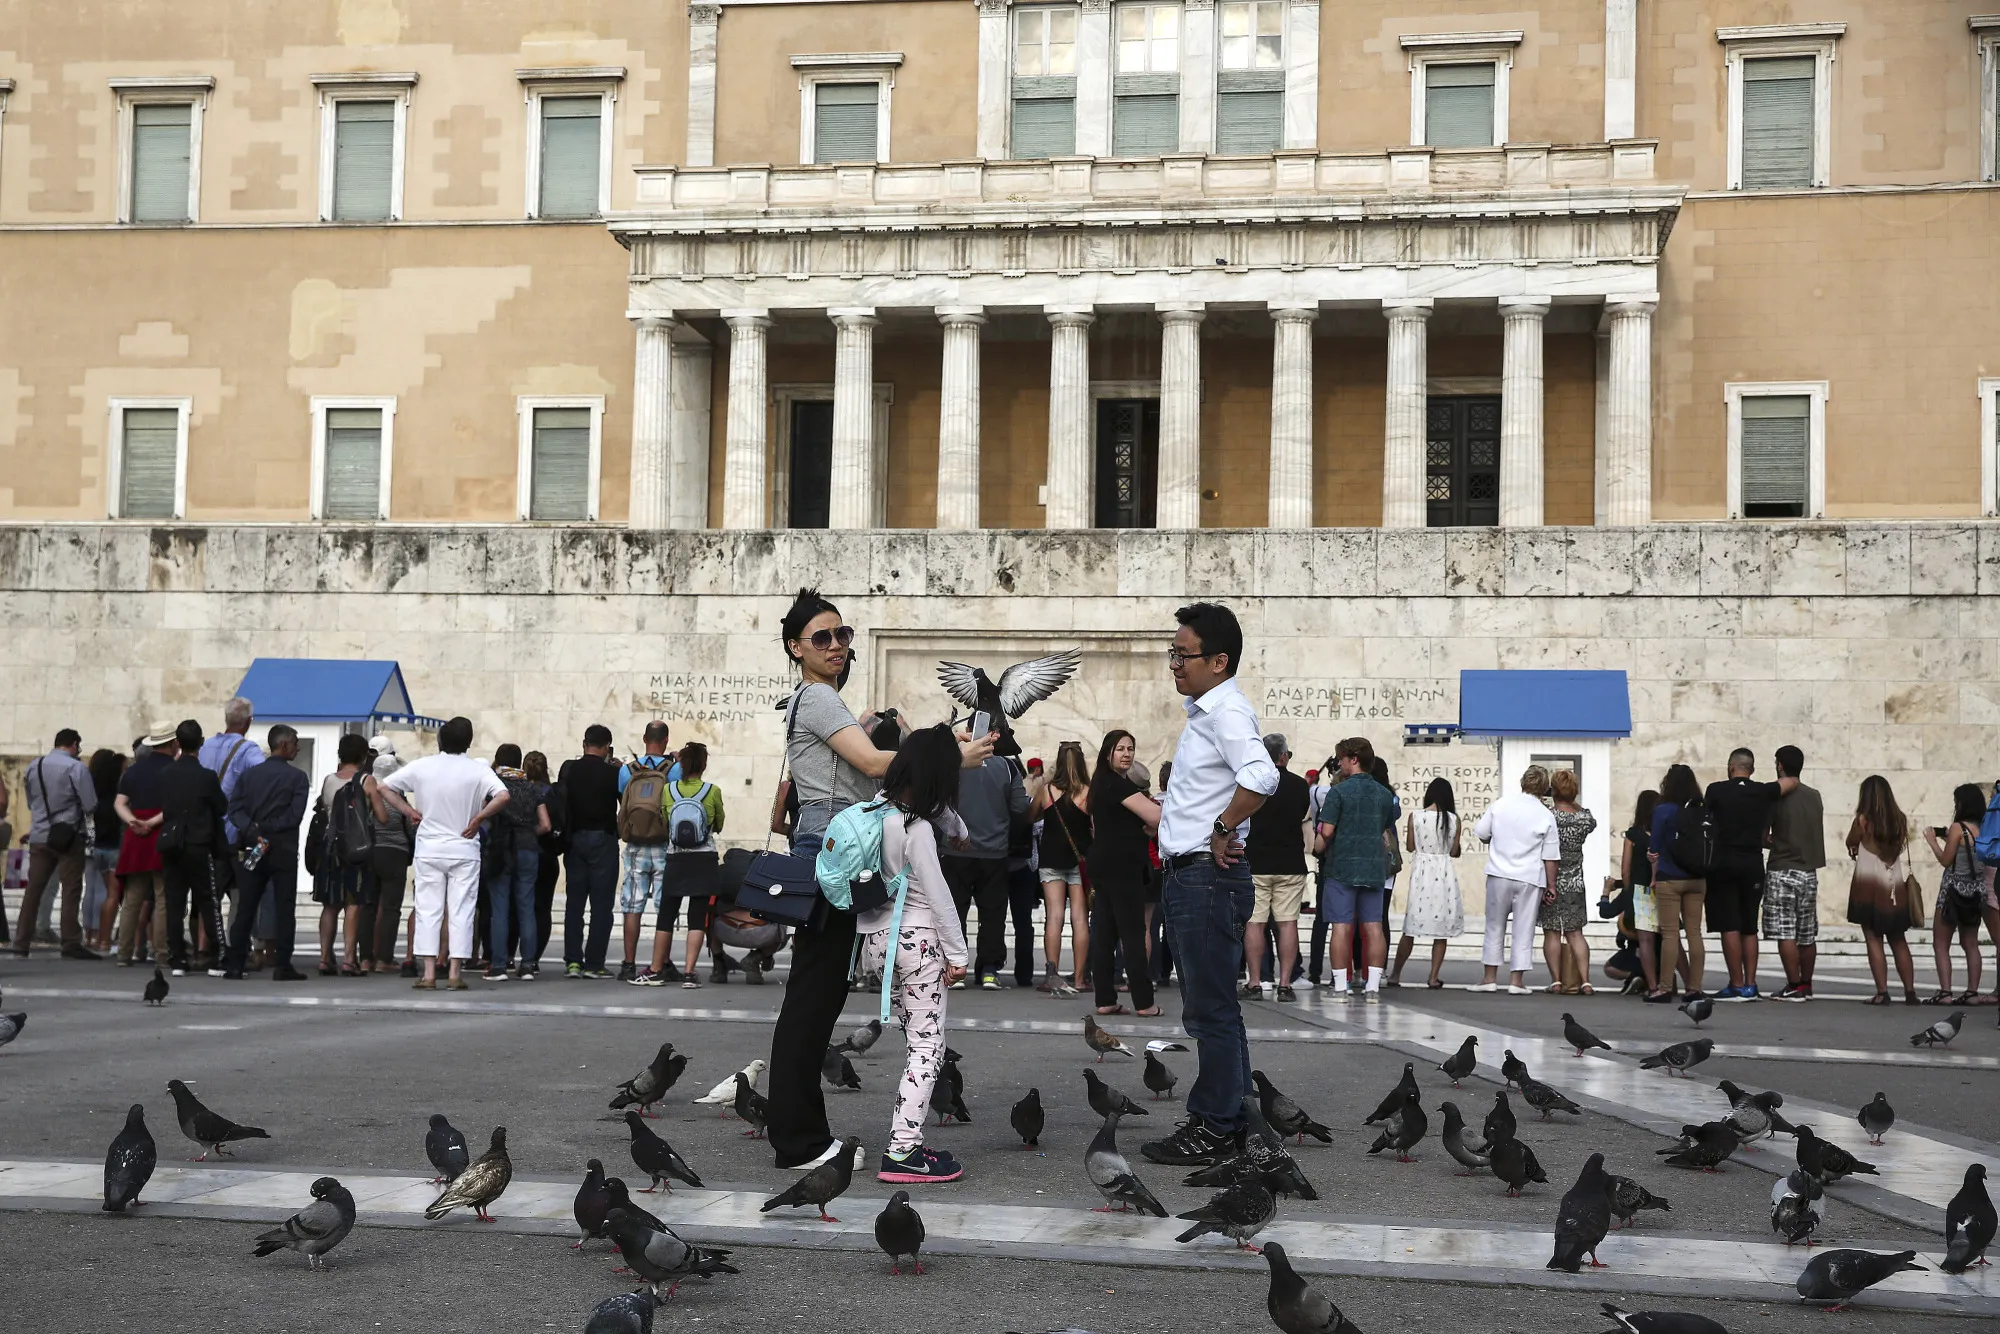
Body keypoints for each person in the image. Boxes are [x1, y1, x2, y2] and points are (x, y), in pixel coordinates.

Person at [765, 587, 993, 1172]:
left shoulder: (824, 702)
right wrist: (947, 758)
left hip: (841, 851)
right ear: (797, 648)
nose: (837, 645)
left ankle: (802, 1130)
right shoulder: (816, 698)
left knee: (818, 995)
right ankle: (798, 1139)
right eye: (823, 638)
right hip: (833, 853)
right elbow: (870, 766)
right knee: (813, 998)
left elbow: (863, 763)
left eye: (843, 636)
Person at [1142, 602, 1276, 1168]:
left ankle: (1214, 1125)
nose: (1175, 662)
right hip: (1196, 876)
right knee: (1217, 1006)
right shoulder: (1207, 713)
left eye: (1184, 653)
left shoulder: (1226, 713)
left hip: (1205, 878)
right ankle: (1237, 1117)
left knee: (1208, 1011)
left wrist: (1223, 827)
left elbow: (1263, 775)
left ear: (1218, 661)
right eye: (1172, 652)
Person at [864, 724, 973, 1184]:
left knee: (916, 1045)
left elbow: (953, 824)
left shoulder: (877, 813)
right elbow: (937, 894)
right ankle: (903, 1149)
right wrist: (959, 952)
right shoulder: (919, 830)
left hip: (878, 943)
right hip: (919, 943)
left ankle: (906, 1137)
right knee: (928, 1048)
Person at [377, 715, 510, 992]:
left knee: (428, 909)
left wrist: (410, 811)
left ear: (440, 739)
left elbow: (384, 787)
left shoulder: (423, 766)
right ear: (469, 741)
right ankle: (454, 972)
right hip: (464, 847)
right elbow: (503, 796)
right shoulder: (477, 770)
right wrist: (478, 819)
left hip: (430, 847)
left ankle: (427, 972)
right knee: (461, 909)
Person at [1311, 738, 1397, 1001]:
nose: (1340, 765)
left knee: (1342, 927)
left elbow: (1326, 832)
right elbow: (1384, 827)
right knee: (1374, 928)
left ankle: (1340, 986)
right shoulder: (1385, 795)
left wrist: (1317, 846)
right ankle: (1372, 987)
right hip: (1373, 868)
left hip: (1342, 867)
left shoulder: (1338, 793)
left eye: (1342, 760)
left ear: (1354, 759)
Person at [635, 742, 727, 988]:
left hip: (676, 857)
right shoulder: (712, 791)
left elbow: (665, 821)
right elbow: (718, 824)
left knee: (666, 914)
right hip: (703, 858)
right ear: (704, 765)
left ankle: (655, 969)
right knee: (697, 917)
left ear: (682, 764)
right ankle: (689, 973)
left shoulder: (669, 790)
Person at [223, 725, 310, 981]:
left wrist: (253, 830)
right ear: (283, 745)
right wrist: (268, 829)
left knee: (247, 905)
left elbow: (235, 809)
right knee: (285, 907)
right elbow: (294, 816)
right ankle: (282, 963)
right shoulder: (297, 778)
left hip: (253, 848)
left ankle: (236, 963)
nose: (298, 747)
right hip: (282, 850)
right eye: (295, 743)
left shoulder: (249, 777)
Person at [1702, 748, 1790, 1001]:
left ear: (1731, 767)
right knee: (1749, 926)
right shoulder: (1763, 791)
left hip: (1723, 863)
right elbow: (1790, 782)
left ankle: (1736, 984)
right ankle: (1751, 984)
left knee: (1729, 925)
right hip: (1752, 863)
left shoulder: (1716, 790)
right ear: (1751, 769)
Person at [1086, 729, 1163, 1017]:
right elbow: (1155, 815)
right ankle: (1144, 1002)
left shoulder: (1101, 784)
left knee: (1105, 934)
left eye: (1131, 748)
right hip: (1124, 867)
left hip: (1104, 865)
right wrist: (1151, 825)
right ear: (1109, 753)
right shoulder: (1119, 785)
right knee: (1132, 934)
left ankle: (1105, 999)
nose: (1127, 754)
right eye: (1120, 749)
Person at [943, 747, 1029, 992]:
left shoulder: (952, 763)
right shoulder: (1008, 767)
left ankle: (955, 966)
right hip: (994, 851)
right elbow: (1020, 807)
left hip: (954, 849)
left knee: (953, 911)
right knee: (993, 914)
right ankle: (989, 969)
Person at [1472, 765, 1560, 995]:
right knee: (1524, 928)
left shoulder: (1501, 804)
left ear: (1523, 782)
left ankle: (1489, 978)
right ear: (1544, 788)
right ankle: (1516, 981)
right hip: (1530, 877)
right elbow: (1550, 857)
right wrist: (1551, 886)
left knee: (1494, 925)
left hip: (1499, 873)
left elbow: (1481, 832)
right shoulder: (1546, 814)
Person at [17, 726, 99, 959]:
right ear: (74, 744)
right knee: (71, 889)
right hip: (69, 836)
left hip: (40, 834)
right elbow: (90, 803)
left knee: (34, 889)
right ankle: (71, 941)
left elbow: (31, 801)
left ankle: (22, 940)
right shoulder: (76, 767)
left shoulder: (35, 766)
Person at [155, 720, 228, 977]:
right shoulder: (206, 777)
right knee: (208, 900)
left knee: (174, 902)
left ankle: (177, 958)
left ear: (177, 743)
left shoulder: (166, 775)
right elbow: (221, 807)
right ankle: (218, 956)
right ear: (201, 742)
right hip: (198, 842)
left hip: (172, 843)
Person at [1244, 734, 1310, 1002]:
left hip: (1257, 862)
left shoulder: (1252, 782)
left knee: (1255, 924)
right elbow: (1302, 813)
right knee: (1287, 924)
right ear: (1284, 756)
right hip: (1290, 863)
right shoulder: (1299, 785)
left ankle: (1255, 982)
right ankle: (1285, 984)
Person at [617, 721, 682, 982]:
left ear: (644, 738)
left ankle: (628, 963)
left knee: (633, 905)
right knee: (663, 905)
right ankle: (662, 962)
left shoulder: (626, 770)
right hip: (664, 844)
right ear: (666, 740)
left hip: (635, 845)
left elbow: (624, 800)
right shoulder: (675, 768)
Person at [1845, 774, 1918, 1005]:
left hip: (1867, 886)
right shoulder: (1899, 820)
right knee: (1898, 939)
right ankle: (1910, 992)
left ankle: (1882, 992)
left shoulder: (1862, 820)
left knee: (1873, 938)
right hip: (1894, 886)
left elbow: (1851, 841)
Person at [557, 725, 623, 979]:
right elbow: (623, 803)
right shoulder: (613, 773)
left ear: (584, 744)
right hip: (603, 840)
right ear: (607, 746)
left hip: (574, 840)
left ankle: (573, 961)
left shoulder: (569, 769)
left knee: (574, 904)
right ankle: (594, 963)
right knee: (601, 905)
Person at [1763, 745, 1826, 1002]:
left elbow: (1763, 835)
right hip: (1808, 871)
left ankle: (1793, 984)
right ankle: (1807, 984)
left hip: (1782, 868)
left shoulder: (1776, 796)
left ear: (1779, 765)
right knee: (1807, 933)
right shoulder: (1815, 795)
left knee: (1785, 931)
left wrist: (1771, 841)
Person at [1031, 741, 1093, 996]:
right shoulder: (1089, 793)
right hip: (1081, 860)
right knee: (1080, 919)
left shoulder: (1047, 791)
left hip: (1051, 859)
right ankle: (1079, 978)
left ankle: (1052, 975)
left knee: (1054, 917)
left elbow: (1029, 816)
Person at [1388, 777, 1462, 989]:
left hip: (1422, 873)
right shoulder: (1453, 819)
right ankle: (1433, 977)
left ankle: (1395, 974)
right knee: (1441, 930)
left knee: (1411, 926)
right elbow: (1454, 851)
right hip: (1444, 873)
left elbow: (1411, 846)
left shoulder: (1416, 816)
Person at [485, 743, 550, 982]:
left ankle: (500, 965)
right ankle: (528, 965)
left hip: (500, 849)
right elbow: (546, 825)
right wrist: (529, 832)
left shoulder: (493, 787)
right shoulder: (531, 789)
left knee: (500, 908)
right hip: (527, 848)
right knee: (526, 907)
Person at [313, 735, 377, 976]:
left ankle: (324, 958)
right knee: (354, 904)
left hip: (331, 848)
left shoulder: (329, 780)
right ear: (363, 756)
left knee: (330, 905)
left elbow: (325, 810)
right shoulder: (367, 781)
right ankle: (349, 959)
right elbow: (381, 815)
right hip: (355, 851)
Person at [113, 725, 176, 966]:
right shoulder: (174, 770)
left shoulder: (133, 771)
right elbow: (173, 806)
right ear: (171, 744)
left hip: (135, 836)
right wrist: (151, 822)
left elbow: (119, 803)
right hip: (161, 834)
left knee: (132, 898)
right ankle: (161, 953)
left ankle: (123, 953)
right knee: (162, 897)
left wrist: (133, 822)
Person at [1923, 783, 1989, 1006]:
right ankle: (1972, 993)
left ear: (1962, 804)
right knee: (1970, 943)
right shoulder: (1985, 828)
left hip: (1952, 892)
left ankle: (1946, 992)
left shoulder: (1957, 828)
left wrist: (1932, 841)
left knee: (1940, 942)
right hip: (1976, 891)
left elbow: (1945, 861)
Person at [1649, 764, 1708, 1001]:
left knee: (1670, 934)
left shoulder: (1662, 810)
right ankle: (1694, 987)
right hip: (1697, 878)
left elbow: (1654, 849)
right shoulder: (1701, 810)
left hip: (1669, 878)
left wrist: (1654, 872)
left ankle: (1664, 987)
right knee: (1694, 932)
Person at [1541, 769, 1596, 994]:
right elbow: (1591, 821)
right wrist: (1575, 804)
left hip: (1551, 879)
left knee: (1552, 931)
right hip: (1575, 880)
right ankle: (1585, 981)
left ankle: (1556, 980)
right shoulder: (1584, 818)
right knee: (1576, 933)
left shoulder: (1548, 816)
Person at [367, 741, 416, 977]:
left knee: (369, 906)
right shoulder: (398, 799)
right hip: (395, 854)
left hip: (370, 853)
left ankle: (365, 955)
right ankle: (384, 957)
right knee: (390, 908)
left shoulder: (367, 794)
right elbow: (411, 828)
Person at [1619, 789, 1672, 1002]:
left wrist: (1627, 890)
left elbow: (1625, 870)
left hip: (1642, 891)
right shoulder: (1664, 832)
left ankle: (1653, 986)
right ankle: (1686, 984)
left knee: (1646, 942)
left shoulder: (1633, 835)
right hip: (1665, 888)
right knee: (1671, 938)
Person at [83, 748, 127, 953]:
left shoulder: (91, 793)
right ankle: (103, 938)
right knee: (110, 894)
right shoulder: (118, 797)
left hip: (93, 846)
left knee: (91, 890)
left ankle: (89, 934)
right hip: (113, 848)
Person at [523, 749, 563, 977]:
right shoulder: (553, 793)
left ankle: (514, 955)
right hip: (548, 855)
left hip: (525, 851)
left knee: (521, 906)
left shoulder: (520, 791)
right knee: (542, 909)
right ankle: (534, 957)